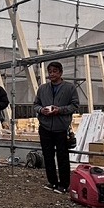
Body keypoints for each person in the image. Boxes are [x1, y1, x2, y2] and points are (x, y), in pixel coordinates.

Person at [34, 60, 80, 192]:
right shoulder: (43, 88)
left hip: (61, 128)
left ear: (60, 73)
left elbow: (75, 105)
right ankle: (52, 182)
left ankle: (64, 184)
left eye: (55, 71)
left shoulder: (70, 88)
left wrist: (60, 110)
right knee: (48, 155)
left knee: (62, 156)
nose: (52, 74)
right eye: (50, 72)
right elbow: (36, 104)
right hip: (45, 127)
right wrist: (41, 110)